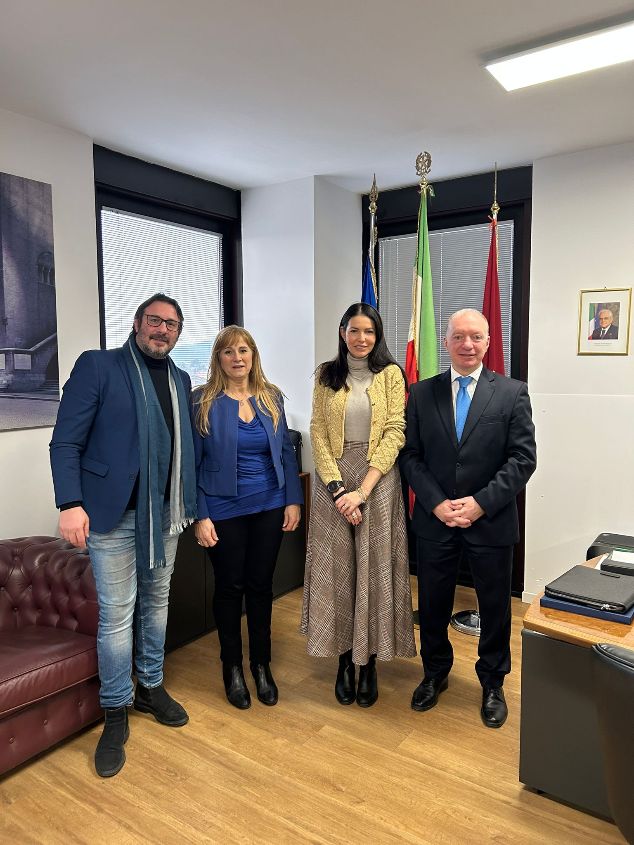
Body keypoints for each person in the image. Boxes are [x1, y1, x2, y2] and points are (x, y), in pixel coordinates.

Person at [49, 293, 197, 778]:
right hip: (111, 516)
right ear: (137, 323)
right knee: (116, 616)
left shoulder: (180, 379)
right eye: (155, 320)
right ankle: (116, 708)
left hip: (165, 515)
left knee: (156, 603)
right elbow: (65, 441)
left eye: (172, 325)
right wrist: (70, 503)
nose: (163, 330)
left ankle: (150, 686)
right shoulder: (99, 366)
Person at [400, 308, 536, 728]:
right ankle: (434, 673)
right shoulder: (421, 393)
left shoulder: (512, 393)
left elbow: (523, 459)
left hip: (490, 521)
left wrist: (480, 503)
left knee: (494, 607)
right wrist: (437, 502)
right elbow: (410, 455)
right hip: (435, 520)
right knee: (433, 603)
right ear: (446, 342)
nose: (467, 344)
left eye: (476, 336)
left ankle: (493, 682)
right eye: (458, 336)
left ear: (488, 341)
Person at [301, 302, 415, 708]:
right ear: (342, 332)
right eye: (354, 330)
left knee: (373, 568)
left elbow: (395, 431)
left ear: (377, 335)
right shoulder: (326, 375)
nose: (361, 338)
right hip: (333, 480)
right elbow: (317, 431)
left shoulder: (391, 375)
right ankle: (343, 660)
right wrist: (337, 489)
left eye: (369, 331)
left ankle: (369, 665)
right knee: (337, 572)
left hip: (377, 480)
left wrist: (362, 491)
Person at [191, 326, 302, 710]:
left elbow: (286, 452)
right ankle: (232, 666)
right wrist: (200, 515)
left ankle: (261, 664)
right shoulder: (202, 401)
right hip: (223, 509)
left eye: (243, 350)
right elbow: (193, 463)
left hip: (270, 505)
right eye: (228, 351)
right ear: (218, 358)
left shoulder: (272, 397)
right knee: (229, 587)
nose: (237, 358)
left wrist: (293, 500)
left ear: (253, 355)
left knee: (260, 586)